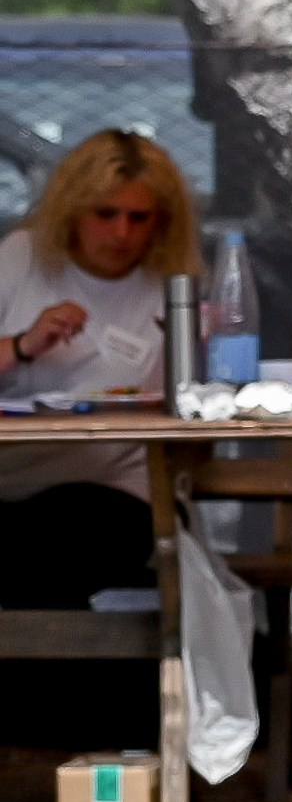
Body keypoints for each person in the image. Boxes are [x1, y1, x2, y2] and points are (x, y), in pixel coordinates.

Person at [0, 128, 201, 608]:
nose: (121, 234)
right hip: (11, 482)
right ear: (72, 210)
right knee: (32, 552)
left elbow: (193, 408)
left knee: (56, 537)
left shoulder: (171, 285)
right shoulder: (23, 257)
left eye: (139, 217)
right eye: (105, 214)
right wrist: (23, 346)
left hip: (118, 490)